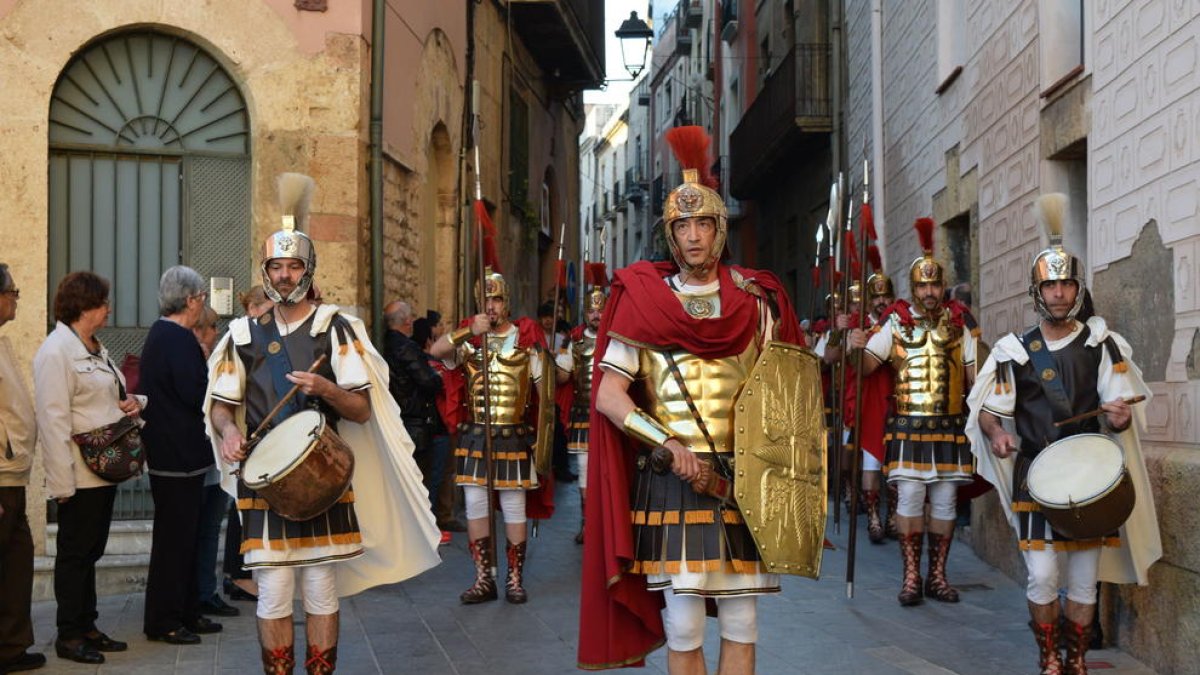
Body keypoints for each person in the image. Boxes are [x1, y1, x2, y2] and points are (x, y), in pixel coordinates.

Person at [579, 128, 809, 673]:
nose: (694, 236)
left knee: (740, 622)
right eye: (683, 225)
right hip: (669, 479)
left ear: (719, 229)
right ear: (670, 234)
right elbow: (610, 396)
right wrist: (667, 441)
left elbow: (787, 395)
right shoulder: (641, 300)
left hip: (745, 480)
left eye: (703, 223)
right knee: (682, 626)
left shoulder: (757, 301)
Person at [205, 173, 439, 673]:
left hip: (321, 475)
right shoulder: (240, 334)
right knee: (272, 591)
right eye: (277, 266)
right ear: (265, 271)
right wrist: (227, 431)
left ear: (308, 269)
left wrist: (326, 389)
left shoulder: (335, 328)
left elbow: (361, 408)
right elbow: (222, 402)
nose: (285, 275)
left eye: (294, 266)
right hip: (264, 479)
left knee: (319, 588)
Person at [966, 194, 1161, 675]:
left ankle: (1074, 661)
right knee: (1041, 577)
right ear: (1038, 292)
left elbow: (1119, 414)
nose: (1058, 293)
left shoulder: (1101, 344)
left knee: (1082, 582)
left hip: (1089, 480)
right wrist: (995, 435)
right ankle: (1047, 656)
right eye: (1050, 285)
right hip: (1036, 476)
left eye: (1066, 284)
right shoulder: (1014, 351)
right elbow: (991, 412)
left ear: (1077, 290)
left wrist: (1117, 417)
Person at [847, 217, 978, 607]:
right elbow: (867, 369)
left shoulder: (960, 326)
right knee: (907, 502)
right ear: (913, 287)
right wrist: (856, 346)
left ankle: (937, 576)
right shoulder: (895, 324)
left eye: (935, 284)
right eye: (922, 285)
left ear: (943, 285)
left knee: (944, 504)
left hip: (949, 428)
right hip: (906, 427)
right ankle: (910, 577)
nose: (929, 291)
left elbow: (974, 379)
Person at [34, 271, 139, 665]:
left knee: (91, 551)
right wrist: (60, 482)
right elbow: (53, 419)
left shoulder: (95, 347)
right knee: (74, 554)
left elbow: (105, 399)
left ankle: (88, 624)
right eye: (101, 303)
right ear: (82, 307)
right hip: (77, 472)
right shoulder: (55, 351)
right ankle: (69, 633)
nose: (108, 309)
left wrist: (134, 402)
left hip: (103, 469)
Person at [429, 268, 548, 605]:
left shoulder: (526, 342)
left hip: (513, 434)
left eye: (496, 299)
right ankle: (483, 579)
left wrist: (543, 444)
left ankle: (513, 579)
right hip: (476, 434)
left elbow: (545, 397)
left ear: (506, 301)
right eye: (485, 299)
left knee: (513, 507)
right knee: (477, 507)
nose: (491, 306)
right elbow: (437, 352)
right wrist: (468, 329)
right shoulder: (469, 343)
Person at [139, 266, 223, 644]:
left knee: (185, 539)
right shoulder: (174, 338)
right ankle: (165, 620)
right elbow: (195, 393)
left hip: (182, 457)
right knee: (175, 543)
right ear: (191, 300)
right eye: (201, 297)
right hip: (176, 458)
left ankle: (188, 612)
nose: (202, 304)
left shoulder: (167, 335)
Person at [0, 265, 46, 673]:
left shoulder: (3, 343)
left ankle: (11, 648)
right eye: (12, 291)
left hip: (12, 474)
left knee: (17, 562)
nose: (16, 298)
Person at [222, 286, 274, 605]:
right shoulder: (240, 339)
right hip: (248, 435)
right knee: (241, 508)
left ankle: (244, 573)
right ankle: (239, 575)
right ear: (255, 308)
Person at [839, 259, 897, 543]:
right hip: (869, 399)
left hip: (898, 398)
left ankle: (892, 516)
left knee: (897, 463)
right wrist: (850, 341)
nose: (881, 301)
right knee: (872, 461)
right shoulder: (858, 326)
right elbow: (845, 361)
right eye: (876, 296)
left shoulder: (901, 322)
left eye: (885, 295)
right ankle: (873, 516)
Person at [191, 306, 240, 619]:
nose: (216, 334)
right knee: (199, 529)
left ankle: (206, 591)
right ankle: (198, 593)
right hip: (196, 457)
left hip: (216, 457)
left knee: (211, 528)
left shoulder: (216, 357)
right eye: (212, 328)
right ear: (199, 329)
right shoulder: (192, 357)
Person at [555, 264, 607, 544]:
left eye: (600, 311)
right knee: (586, 476)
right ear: (585, 313)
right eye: (591, 311)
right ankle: (587, 524)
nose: (596, 315)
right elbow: (564, 377)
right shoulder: (573, 343)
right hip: (583, 417)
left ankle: (607, 525)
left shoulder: (617, 340)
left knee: (610, 473)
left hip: (611, 416)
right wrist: (550, 363)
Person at [381, 301, 444, 500]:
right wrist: (439, 377)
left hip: (395, 419)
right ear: (408, 321)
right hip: (415, 422)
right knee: (420, 485)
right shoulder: (407, 348)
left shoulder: (384, 343)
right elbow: (428, 382)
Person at [418, 313, 469, 537]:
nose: (441, 328)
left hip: (444, 426)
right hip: (439, 426)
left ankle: (444, 515)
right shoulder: (430, 363)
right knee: (437, 473)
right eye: (438, 325)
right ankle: (435, 519)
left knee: (446, 472)